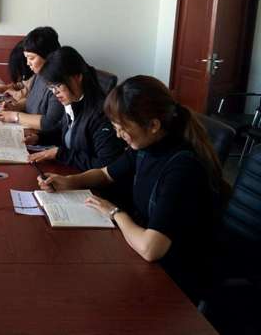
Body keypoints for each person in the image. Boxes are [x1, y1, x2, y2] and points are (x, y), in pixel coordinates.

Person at [37, 75, 223, 303]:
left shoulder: (182, 167)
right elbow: (106, 173)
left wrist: (115, 213)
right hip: (141, 253)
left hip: (175, 280)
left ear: (153, 125)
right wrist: (69, 181)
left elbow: (151, 248)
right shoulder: (147, 145)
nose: (118, 135)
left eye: (122, 128)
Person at [28, 46, 125, 171]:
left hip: (87, 181)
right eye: (51, 87)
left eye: (58, 85)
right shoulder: (75, 101)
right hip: (70, 172)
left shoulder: (101, 115)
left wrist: (61, 154)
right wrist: (39, 138)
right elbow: (65, 132)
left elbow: (107, 166)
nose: (55, 92)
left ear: (77, 77)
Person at [0, 27, 64, 132]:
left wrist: (15, 116)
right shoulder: (39, 75)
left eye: (31, 58)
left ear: (48, 56)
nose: (27, 63)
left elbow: (50, 123)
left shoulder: (59, 83)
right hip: (31, 132)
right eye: (26, 58)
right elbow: (31, 100)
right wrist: (14, 107)